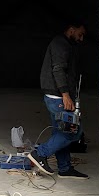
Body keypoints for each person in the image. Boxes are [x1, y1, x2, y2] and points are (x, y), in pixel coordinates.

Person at [28, 21, 89, 179]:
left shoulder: (66, 44)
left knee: (60, 131)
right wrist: (65, 94)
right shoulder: (60, 44)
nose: (81, 38)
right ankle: (39, 154)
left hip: (58, 96)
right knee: (73, 132)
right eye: (80, 34)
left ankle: (64, 167)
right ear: (71, 29)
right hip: (58, 97)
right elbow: (58, 69)